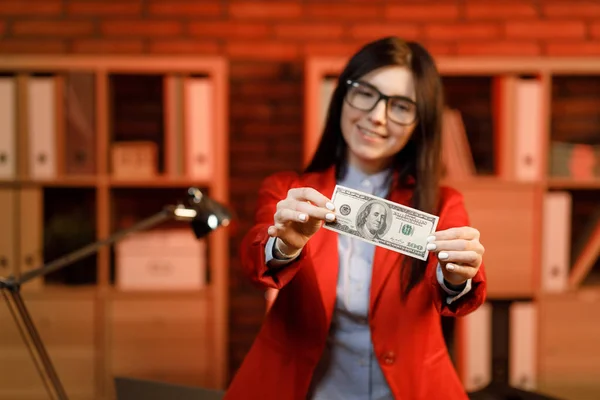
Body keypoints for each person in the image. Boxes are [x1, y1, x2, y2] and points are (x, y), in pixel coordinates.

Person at [225, 36, 487, 400]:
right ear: (342, 96)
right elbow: (253, 258)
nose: (377, 116)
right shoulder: (290, 190)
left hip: (410, 389)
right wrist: (283, 243)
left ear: (419, 123)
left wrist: (456, 277)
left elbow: (456, 290)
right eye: (366, 92)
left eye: (401, 106)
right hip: (308, 388)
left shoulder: (442, 202)